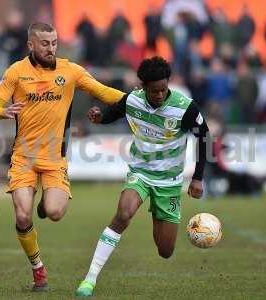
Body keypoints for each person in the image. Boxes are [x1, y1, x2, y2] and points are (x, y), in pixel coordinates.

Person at [0, 23, 125, 291]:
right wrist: (2, 111)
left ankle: (45, 204)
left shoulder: (70, 71)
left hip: (54, 159)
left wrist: (135, 101)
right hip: (23, 157)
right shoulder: (16, 72)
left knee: (55, 212)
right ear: (31, 45)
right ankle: (38, 269)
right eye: (45, 43)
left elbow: (103, 92)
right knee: (23, 217)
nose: (51, 48)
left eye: (54, 42)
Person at [75, 56, 209, 297]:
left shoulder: (185, 107)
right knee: (123, 214)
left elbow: (204, 137)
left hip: (169, 182)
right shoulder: (132, 100)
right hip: (140, 173)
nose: (160, 94)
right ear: (144, 87)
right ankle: (90, 279)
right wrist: (99, 117)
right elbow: (112, 113)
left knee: (165, 250)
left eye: (164, 89)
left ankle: (158, 213)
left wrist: (197, 177)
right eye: (155, 90)